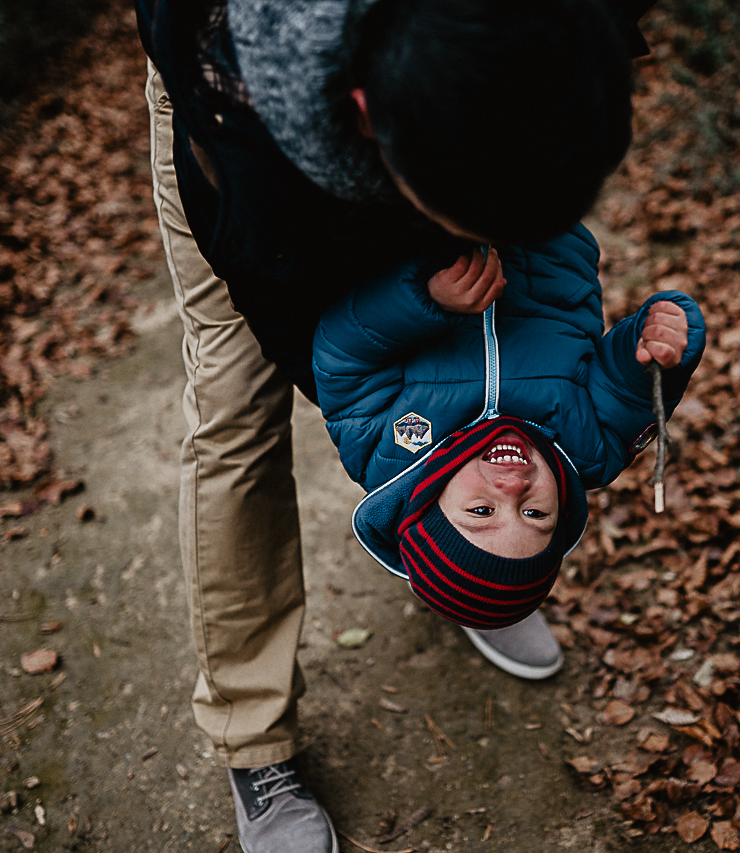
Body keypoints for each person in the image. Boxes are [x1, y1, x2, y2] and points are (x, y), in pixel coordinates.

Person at [136, 0, 653, 849]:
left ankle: (474, 563)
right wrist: (415, 465)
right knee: (236, 414)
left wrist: (470, 503)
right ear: (370, 118)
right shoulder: (240, 107)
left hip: (466, 85)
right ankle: (254, 736)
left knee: (480, 308)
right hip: (241, 130)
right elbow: (322, 349)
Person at [313, 227, 705, 672]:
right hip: (543, 233)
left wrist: (425, 301)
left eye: (482, 511)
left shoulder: (382, 451)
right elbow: (626, 391)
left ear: (429, 502)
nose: (514, 489)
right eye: (535, 514)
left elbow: (341, 355)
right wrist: (658, 350)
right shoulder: (589, 448)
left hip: (418, 238)